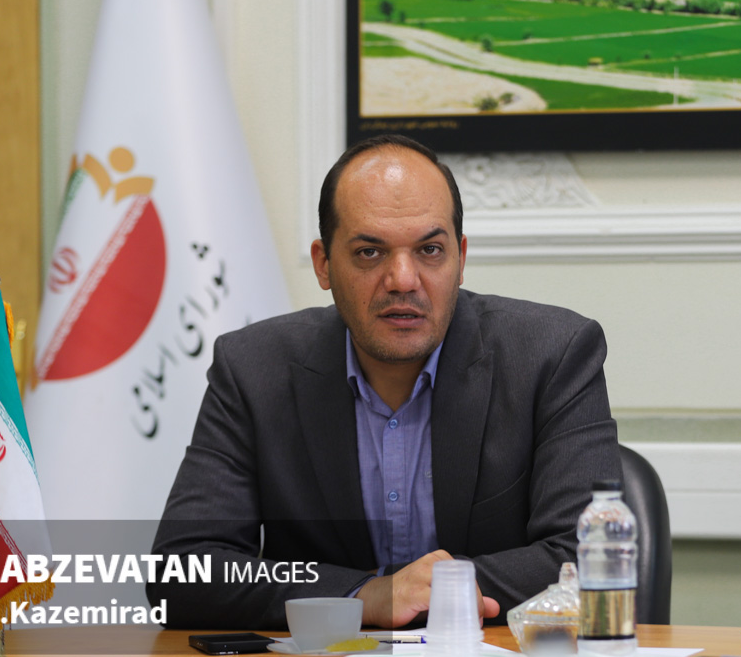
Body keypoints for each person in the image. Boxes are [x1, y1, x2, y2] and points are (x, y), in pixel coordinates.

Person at [148, 133, 620, 629]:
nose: (403, 279)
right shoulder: (253, 369)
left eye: (430, 250)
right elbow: (181, 571)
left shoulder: (552, 355)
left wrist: (429, 593)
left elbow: (592, 558)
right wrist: (364, 596)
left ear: (460, 258)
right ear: (324, 264)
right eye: (370, 253)